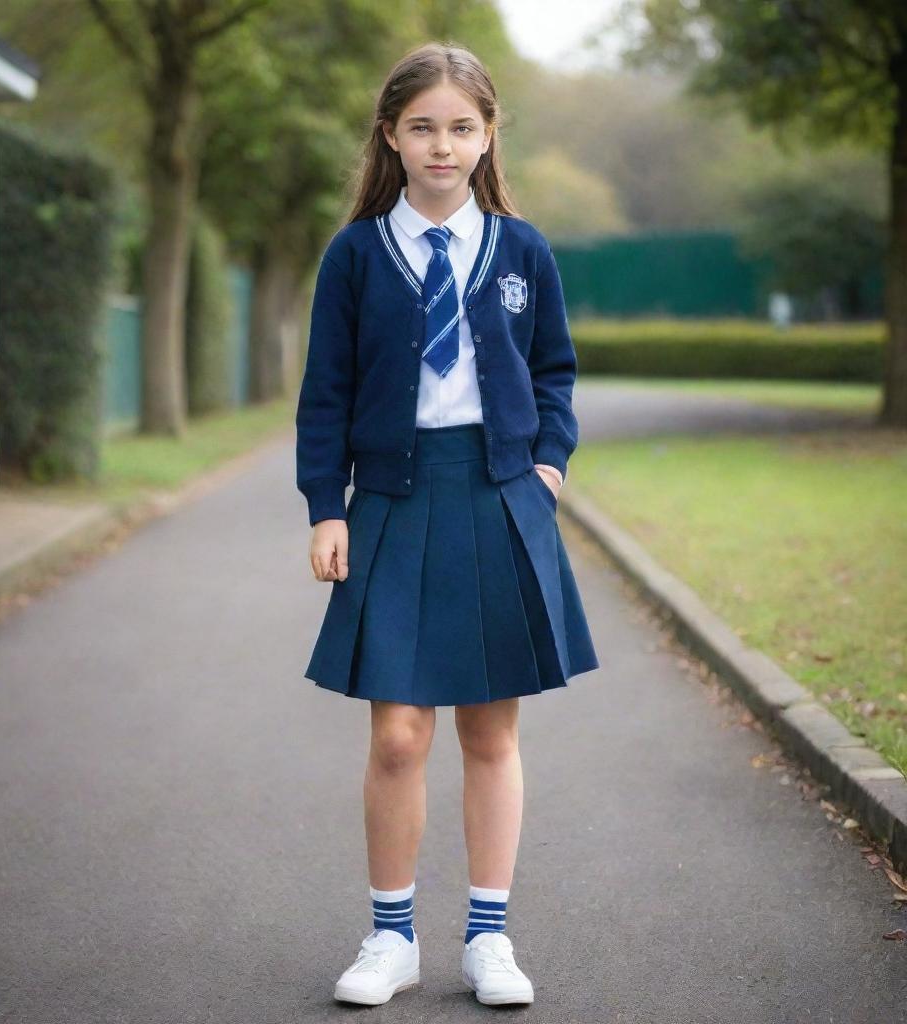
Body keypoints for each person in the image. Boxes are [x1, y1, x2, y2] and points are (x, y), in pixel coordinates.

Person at [295, 41, 600, 1008]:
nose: (442, 144)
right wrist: (326, 506)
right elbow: (324, 395)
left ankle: (488, 937)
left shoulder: (522, 249)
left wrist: (547, 463)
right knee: (397, 736)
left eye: (461, 127)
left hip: (497, 494)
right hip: (390, 499)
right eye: (422, 126)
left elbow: (555, 372)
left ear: (487, 135)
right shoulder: (354, 255)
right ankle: (390, 937)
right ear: (391, 134)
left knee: (490, 732)